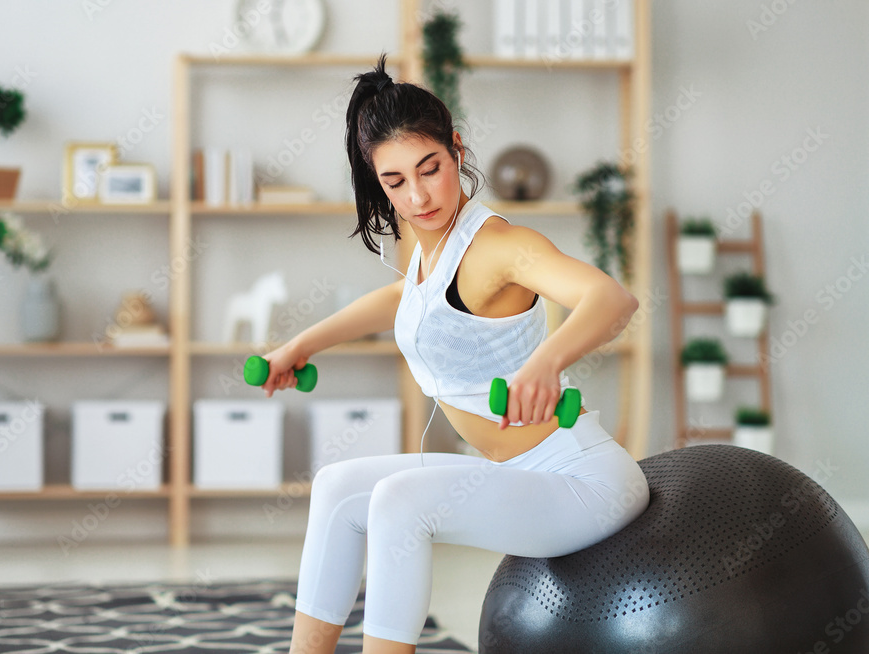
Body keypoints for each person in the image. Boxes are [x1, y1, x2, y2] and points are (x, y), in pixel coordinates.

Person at [261, 55, 649, 654]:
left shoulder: (498, 245)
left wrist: (546, 360)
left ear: (457, 150)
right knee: (338, 485)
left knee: (397, 500)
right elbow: (401, 298)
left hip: (582, 482)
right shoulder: (428, 245)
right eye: (395, 182)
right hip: (514, 473)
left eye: (430, 169)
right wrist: (301, 344)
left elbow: (611, 298)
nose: (417, 196)